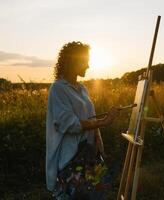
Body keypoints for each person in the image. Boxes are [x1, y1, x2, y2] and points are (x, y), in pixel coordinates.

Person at [46, 41, 119, 199]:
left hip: (90, 155)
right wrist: (104, 121)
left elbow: (89, 118)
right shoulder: (58, 89)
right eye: (85, 61)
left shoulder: (82, 89)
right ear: (74, 61)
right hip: (73, 159)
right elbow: (70, 124)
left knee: (96, 195)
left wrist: (99, 142)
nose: (88, 66)